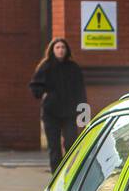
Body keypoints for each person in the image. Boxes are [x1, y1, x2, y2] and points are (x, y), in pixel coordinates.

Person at [29, 38, 87, 172]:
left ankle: (70, 171)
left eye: (63, 47)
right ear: (52, 50)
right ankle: (56, 174)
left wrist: (83, 113)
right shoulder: (46, 66)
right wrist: (42, 93)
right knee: (54, 146)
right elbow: (35, 86)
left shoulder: (74, 68)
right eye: (57, 47)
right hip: (51, 113)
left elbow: (80, 91)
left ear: (67, 50)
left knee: (71, 143)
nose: (60, 50)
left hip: (70, 113)